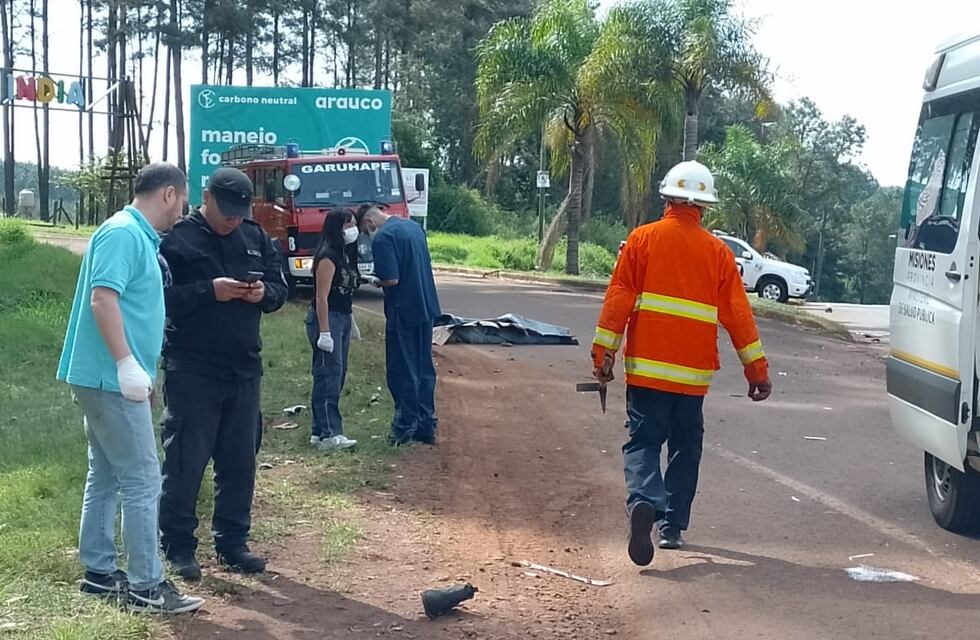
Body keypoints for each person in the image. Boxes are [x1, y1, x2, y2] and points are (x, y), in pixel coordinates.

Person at [591, 160, 772, 567]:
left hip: (646, 371)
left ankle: (643, 500)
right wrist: (756, 371)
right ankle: (671, 527)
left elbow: (618, 301)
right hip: (692, 377)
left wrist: (604, 355)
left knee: (643, 442)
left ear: (667, 198)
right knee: (685, 447)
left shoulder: (641, 240)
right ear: (704, 206)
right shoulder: (719, 253)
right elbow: (738, 317)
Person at [57, 163, 204, 614]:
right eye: (182, 201)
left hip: (110, 376)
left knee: (104, 474)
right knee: (142, 479)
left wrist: (138, 369)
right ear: (168, 193)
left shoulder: (136, 235)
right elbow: (103, 299)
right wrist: (124, 364)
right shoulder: (123, 233)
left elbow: (131, 307)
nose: (182, 211)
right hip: (108, 376)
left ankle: (99, 572)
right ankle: (147, 585)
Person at [158, 167, 288, 581]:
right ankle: (178, 546)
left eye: (239, 212)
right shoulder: (176, 240)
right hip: (193, 368)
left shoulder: (254, 237)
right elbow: (159, 300)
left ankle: (232, 543)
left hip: (244, 368)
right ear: (207, 197)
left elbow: (280, 288)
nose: (232, 219)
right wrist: (208, 291)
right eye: (226, 210)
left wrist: (264, 293)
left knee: (239, 461)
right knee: (185, 461)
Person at [356, 205, 441, 445]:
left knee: (402, 369)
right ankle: (426, 424)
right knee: (424, 367)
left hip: (402, 310)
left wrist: (374, 280)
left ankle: (403, 426)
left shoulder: (384, 237)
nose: (368, 234)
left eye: (365, 230)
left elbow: (391, 279)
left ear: (369, 221)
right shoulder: (413, 227)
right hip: (425, 306)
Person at [306, 208, 360, 451]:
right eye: (348, 225)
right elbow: (322, 297)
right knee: (328, 374)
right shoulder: (327, 258)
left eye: (353, 225)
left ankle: (319, 431)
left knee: (337, 373)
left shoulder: (345, 254)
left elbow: (345, 293)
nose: (352, 230)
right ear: (337, 228)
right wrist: (325, 332)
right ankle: (330, 433)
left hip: (343, 317)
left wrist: (351, 322)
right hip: (327, 319)